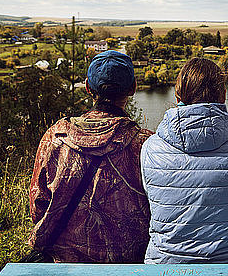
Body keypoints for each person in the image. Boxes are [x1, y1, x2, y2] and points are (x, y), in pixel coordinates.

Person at [29, 50, 152, 263]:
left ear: (87, 87)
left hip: (64, 263)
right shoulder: (146, 144)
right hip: (127, 265)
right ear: (133, 88)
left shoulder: (55, 137)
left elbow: (37, 205)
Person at [141, 57, 228, 263]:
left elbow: (155, 206)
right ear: (224, 95)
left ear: (178, 94)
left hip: (166, 266)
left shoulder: (151, 149)